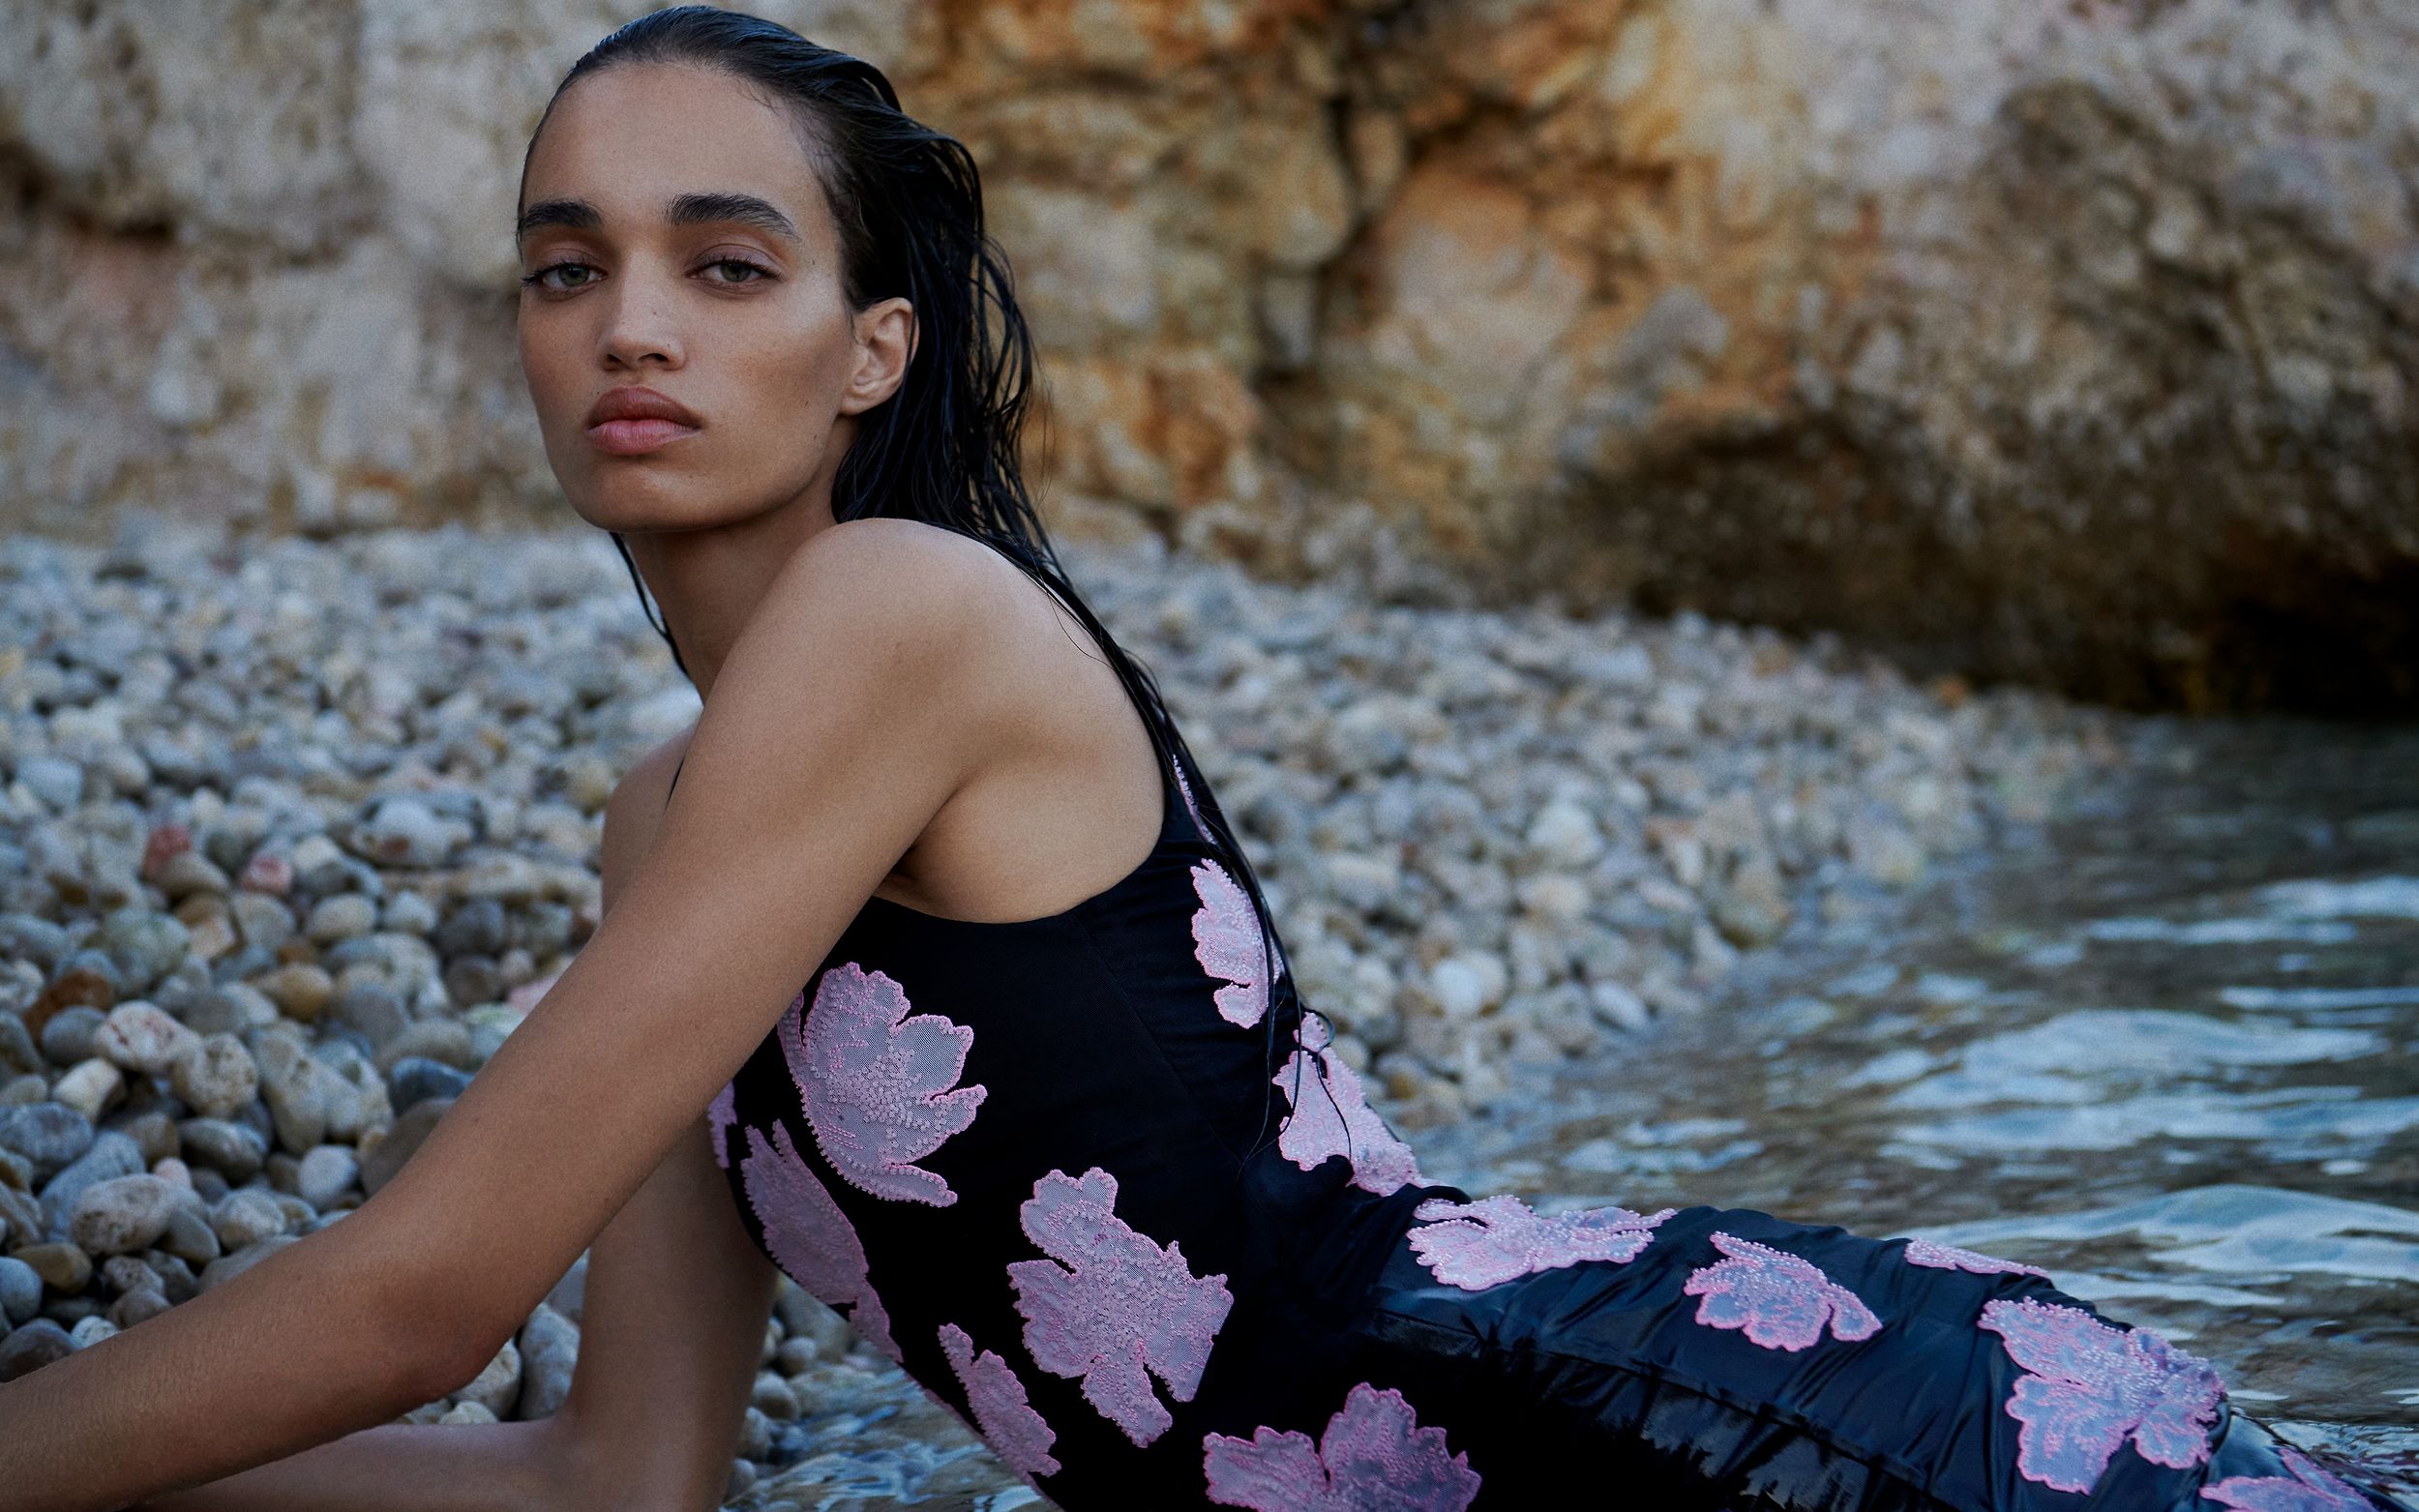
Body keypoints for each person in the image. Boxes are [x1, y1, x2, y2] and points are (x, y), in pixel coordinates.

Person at [0, 9, 2403, 1510]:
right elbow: (613, 1472)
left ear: (867, 351)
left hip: (1630, 1437)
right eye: (565, 265)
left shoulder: (902, 612)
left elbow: (424, 1289)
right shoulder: (671, 815)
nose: (630, 323)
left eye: (725, 264)